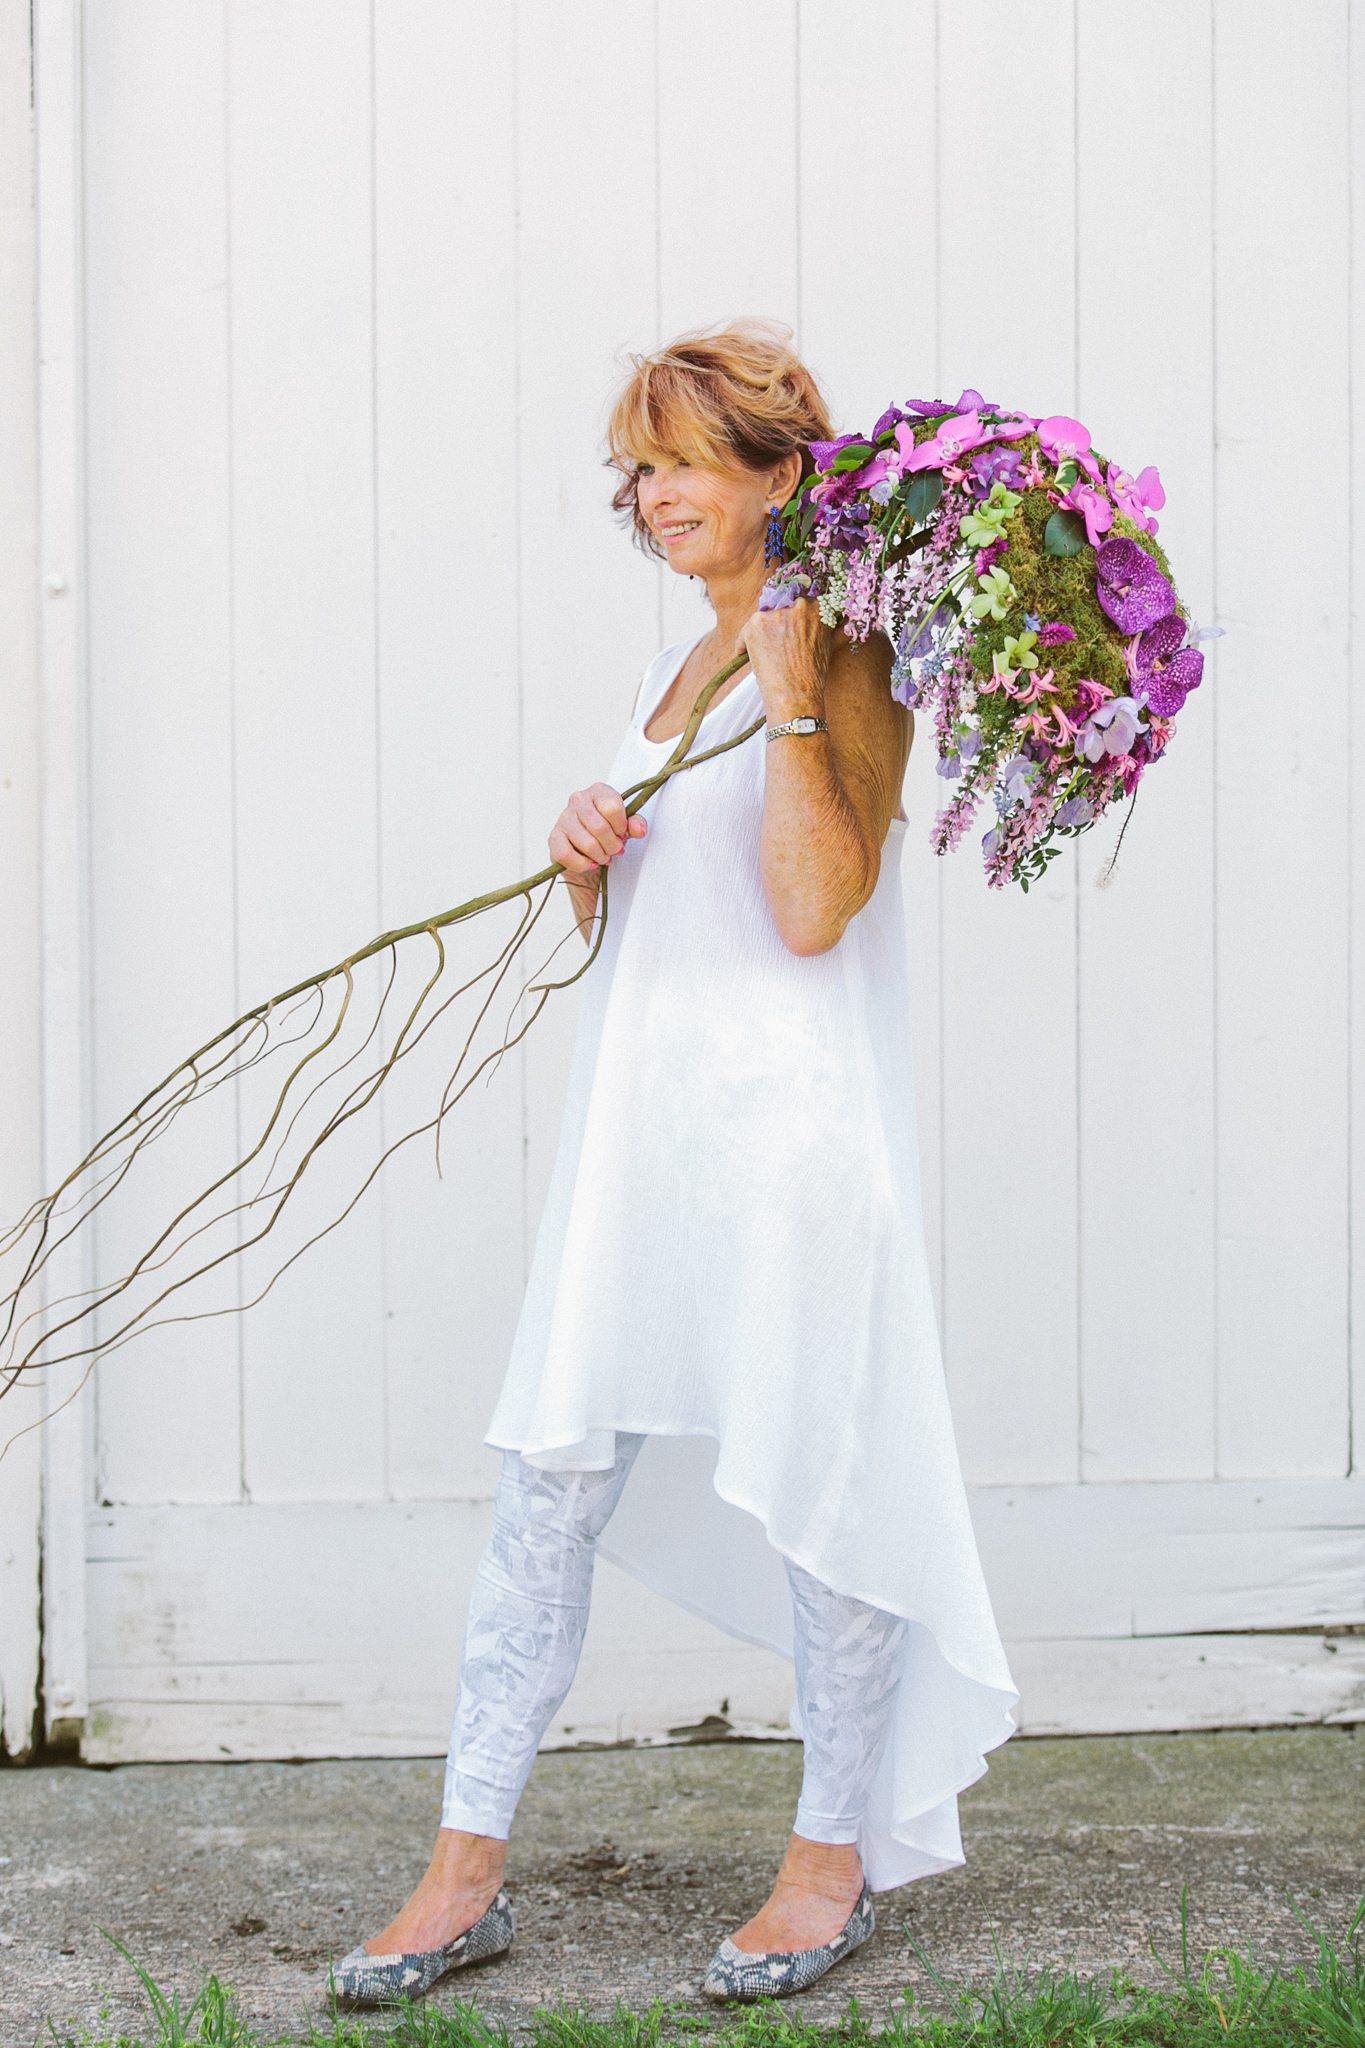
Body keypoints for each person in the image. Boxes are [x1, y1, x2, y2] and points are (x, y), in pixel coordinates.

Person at [336, 322, 1016, 2008]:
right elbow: (670, 927)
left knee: (820, 1486)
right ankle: (460, 1870)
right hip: (645, 1132)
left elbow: (807, 909)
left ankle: (827, 1859)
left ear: (782, 474)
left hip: (789, 1142)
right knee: (543, 1481)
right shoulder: (686, 656)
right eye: (631, 470)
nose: (643, 497)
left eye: (675, 465)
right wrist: (587, 855)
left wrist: (792, 704)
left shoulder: (838, 655)